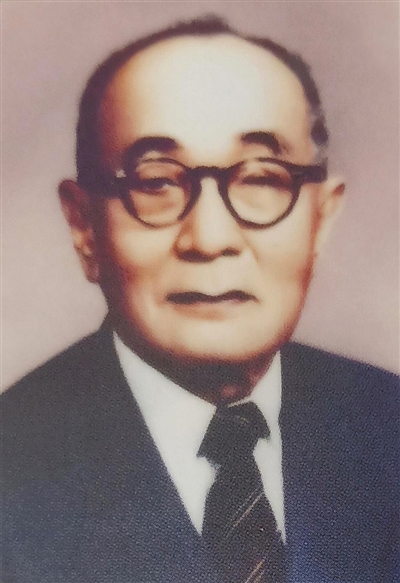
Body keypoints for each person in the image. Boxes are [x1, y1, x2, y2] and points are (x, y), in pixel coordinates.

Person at [1, 16, 398, 583]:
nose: (210, 239)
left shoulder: (387, 429)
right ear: (84, 226)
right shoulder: (13, 466)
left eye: (262, 178)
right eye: (156, 182)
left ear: (321, 219)